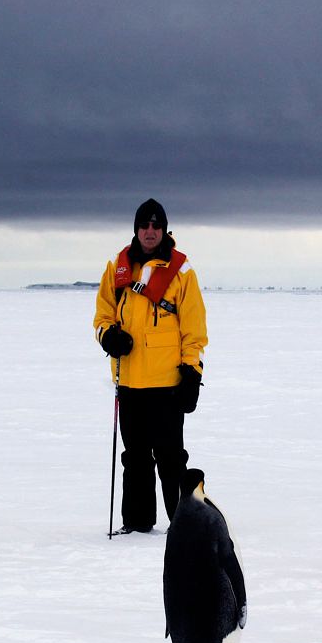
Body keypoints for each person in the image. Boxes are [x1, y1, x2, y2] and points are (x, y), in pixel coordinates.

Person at [93, 199, 208, 534]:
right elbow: (102, 317)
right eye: (144, 225)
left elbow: (194, 330)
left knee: (172, 459)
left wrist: (192, 372)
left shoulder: (182, 271)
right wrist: (109, 336)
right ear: (136, 229)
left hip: (168, 383)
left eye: (156, 226)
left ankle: (183, 526)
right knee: (135, 458)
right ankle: (137, 525)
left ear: (164, 230)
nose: (150, 231)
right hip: (129, 381)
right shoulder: (117, 268)